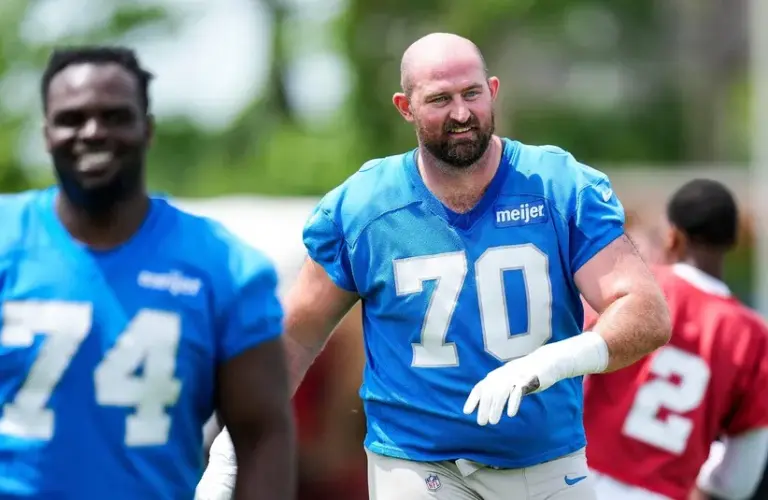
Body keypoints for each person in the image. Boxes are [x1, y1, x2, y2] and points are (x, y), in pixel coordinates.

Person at [198, 32, 670, 500]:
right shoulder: (366, 205)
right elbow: (296, 335)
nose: (461, 113)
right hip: (418, 464)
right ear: (405, 107)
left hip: (546, 463)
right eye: (441, 99)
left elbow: (645, 311)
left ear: (493, 90)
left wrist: (554, 361)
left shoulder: (556, 185)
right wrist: (230, 449)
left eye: (472, 93)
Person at [0, 46, 295, 499]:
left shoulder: (223, 265)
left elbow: (262, 433)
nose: (93, 132)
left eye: (115, 116)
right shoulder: (8, 238)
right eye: (72, 118)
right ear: (46, 134)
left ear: (147, 128)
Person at [583, 179, 768, 500]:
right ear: (732, 242)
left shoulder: (638, 284)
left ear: (672, 235)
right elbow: (739, 479)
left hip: (579, 479)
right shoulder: (753, 336)